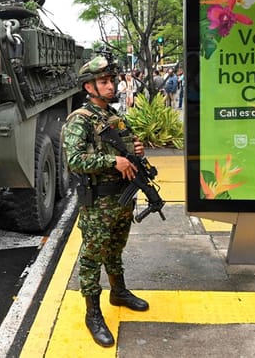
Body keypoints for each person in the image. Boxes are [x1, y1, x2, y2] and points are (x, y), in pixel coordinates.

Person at [62, 55, 149, 348]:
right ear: (89, 87)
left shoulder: (113, 116)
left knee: (115, 248)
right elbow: (74, 160)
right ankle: (93, 313)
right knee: (91, 256)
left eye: (111, 80)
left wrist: (136, 149)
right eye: (104, 82)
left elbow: (129, 149)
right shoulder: (80, 120)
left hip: (121, 198)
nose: (111, 86)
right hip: (98, 203)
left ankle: (118, 292)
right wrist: (114, 160)